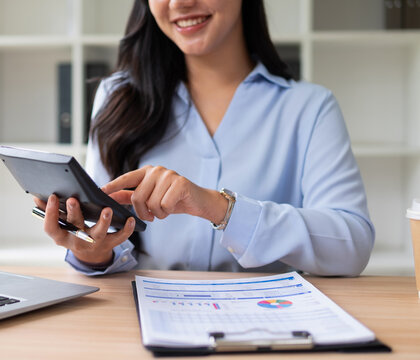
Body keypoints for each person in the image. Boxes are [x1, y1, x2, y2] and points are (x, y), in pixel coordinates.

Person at [35, 0, 375, 276]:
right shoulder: (117, 98)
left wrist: (217, 207)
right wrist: (91, 251)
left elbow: (351, 245)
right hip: (140, 321)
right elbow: (105, 235)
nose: (180, 3)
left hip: (270, 320)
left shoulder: (310, 107)